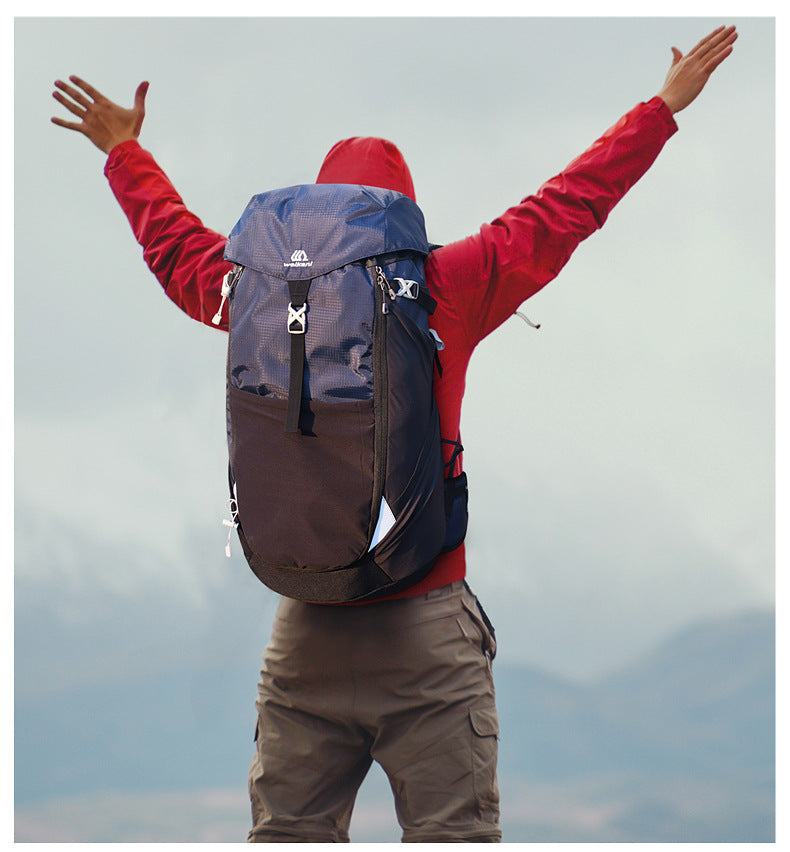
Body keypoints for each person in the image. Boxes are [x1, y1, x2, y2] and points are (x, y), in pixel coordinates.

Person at [51, 24, 737, 843]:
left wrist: (125, 152)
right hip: (427, 632)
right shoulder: (451, 282)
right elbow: (569, 204)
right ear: (400, 214)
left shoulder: (254, 297)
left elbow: (173, 248)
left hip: (306, 623)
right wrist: (661, 109)